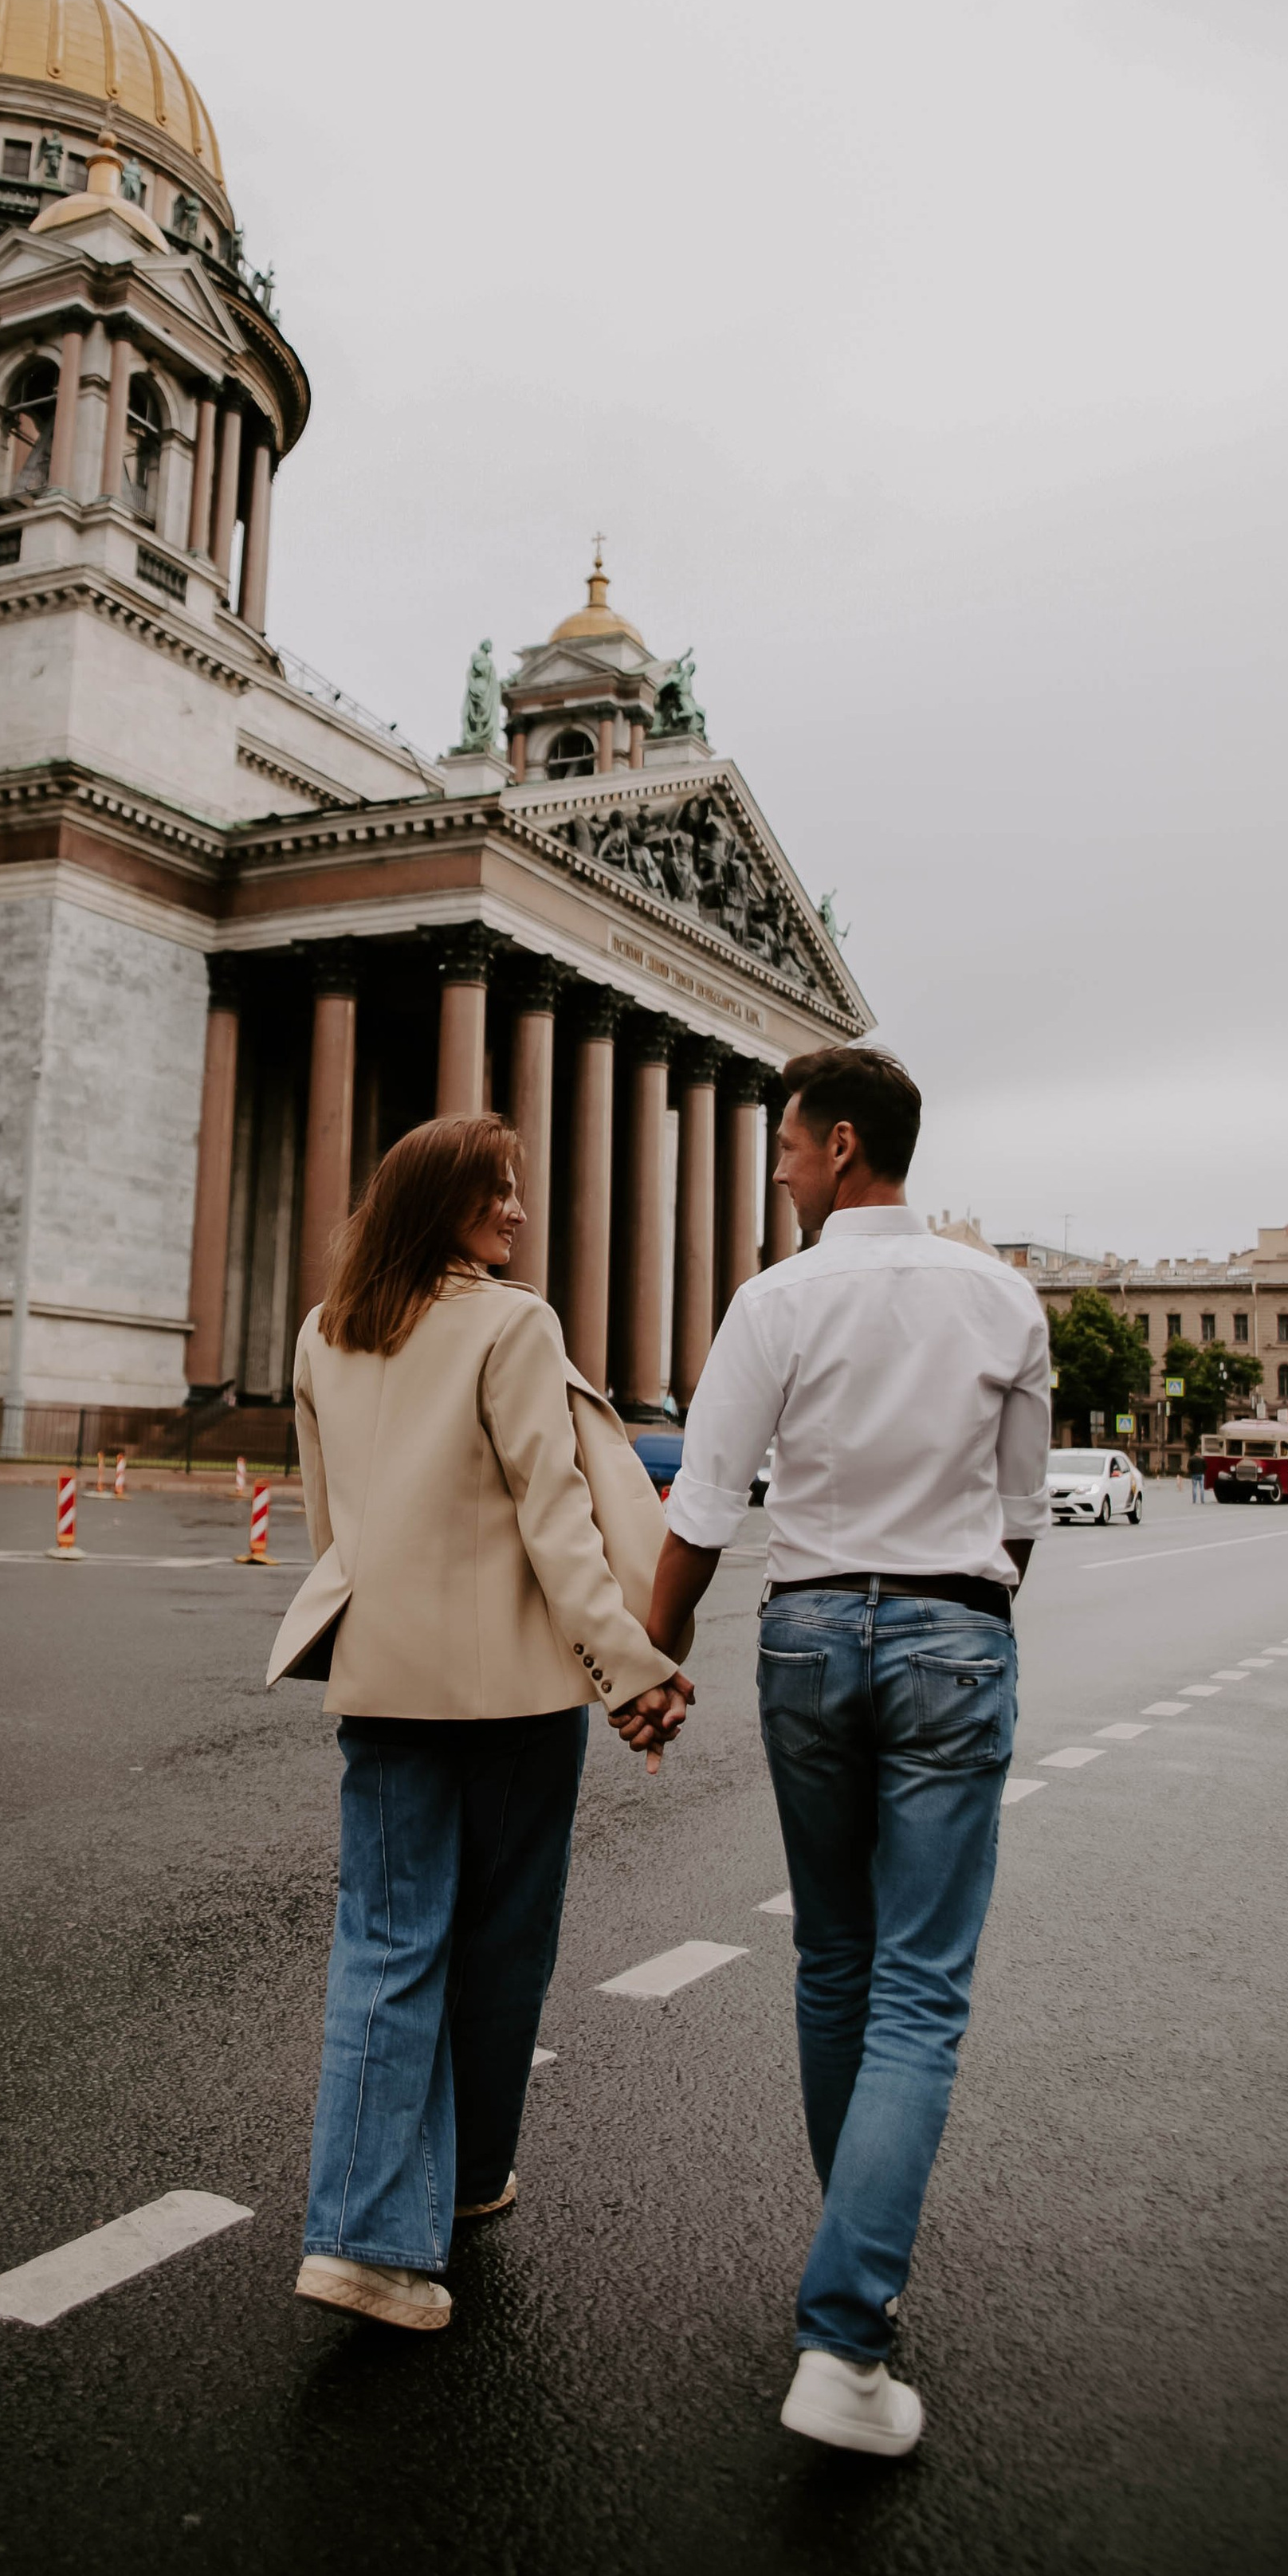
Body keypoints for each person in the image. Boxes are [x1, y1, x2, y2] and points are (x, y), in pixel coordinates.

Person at [645, 1046, 1048, 2460]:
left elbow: (702, 1502)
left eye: (791, 1147)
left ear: (848, 1145)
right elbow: (1016, 1519)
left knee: (833, 1956)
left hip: (808, 1634)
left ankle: (851, 2252)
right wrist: (954, 1620)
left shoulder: (774, 1299)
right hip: (952, 1625)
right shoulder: (1001, 1296)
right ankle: (847, 2323)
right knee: (921, 1989)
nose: (781, 1166)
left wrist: (654, 1655)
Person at [269, 1113, 690, 2337]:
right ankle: (461, 2185)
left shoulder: (325, 1331)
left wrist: (371, 1625)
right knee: (503, 1942)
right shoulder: (514, 1324)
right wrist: (633, 1669)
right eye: (496, 1191)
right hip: (514, 1696)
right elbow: (557, 1520)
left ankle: (360, 2233)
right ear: (437, 1200)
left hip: (383, 1681)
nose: (516, 1210)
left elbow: (327, 1523)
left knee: (387, 1945)